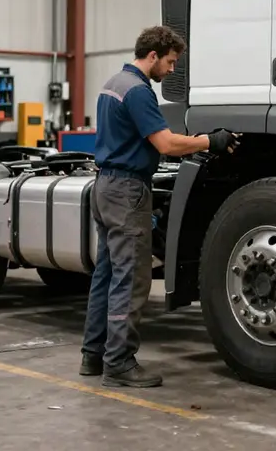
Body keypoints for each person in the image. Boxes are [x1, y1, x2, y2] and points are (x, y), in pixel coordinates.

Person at [79, 25, 239, 388]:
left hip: (104, 186)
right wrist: (210, 141)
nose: (171, 70)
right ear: (153, 55)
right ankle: (119, 362)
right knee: (131, 278)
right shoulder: (138, 91)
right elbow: (166, 144)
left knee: (105, 276)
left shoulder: (112, 84)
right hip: (127, 192)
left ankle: (93, 355)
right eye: (170, 62)